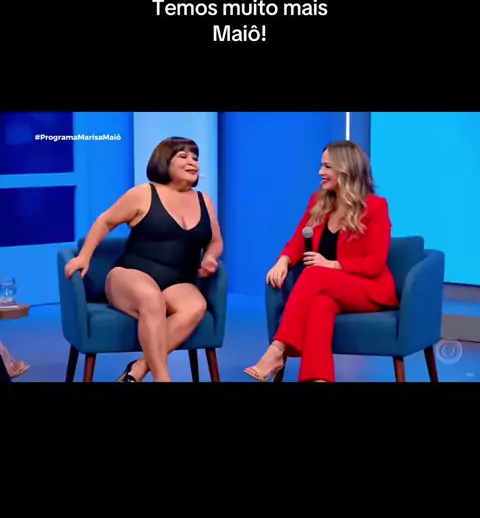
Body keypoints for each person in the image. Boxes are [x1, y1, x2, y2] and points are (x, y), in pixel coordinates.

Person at [65, 137, 223, 383]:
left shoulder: (205, 201)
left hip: (178, 282)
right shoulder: (143, 194)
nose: (192, 162)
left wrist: (211, 257)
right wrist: (84, 257)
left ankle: (137, 369)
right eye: (183, 156)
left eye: (195, 157)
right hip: (129, 276)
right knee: (151, 298)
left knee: (196, 307)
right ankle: (162, 377)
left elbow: (215, 241)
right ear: (165, 161)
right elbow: (105, 221)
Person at [245, 140, 399, 383]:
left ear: (346, 170)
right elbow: (299, 239)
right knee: (320, 305)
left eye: (327, 166)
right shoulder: (319, 201)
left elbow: (375, 264)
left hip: (368, 289)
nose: (320, 172)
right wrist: (284, 260)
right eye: (321, 165)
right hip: (329, 289)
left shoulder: (376, 207)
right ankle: (318, 379)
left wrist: (333, 265)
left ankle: (277, 349)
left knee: (314, 273)